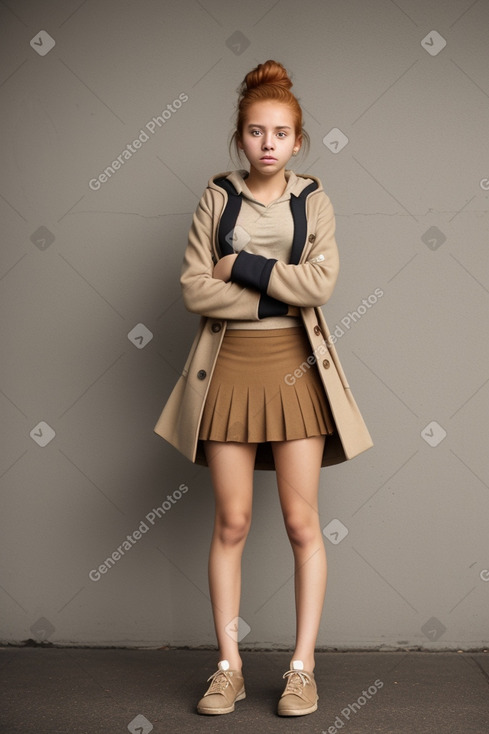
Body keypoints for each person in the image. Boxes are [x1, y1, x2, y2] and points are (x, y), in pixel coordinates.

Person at [153, 59, 373, 717]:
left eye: (280, 132)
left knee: (303, 522)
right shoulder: (216, 197)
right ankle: (229, 667)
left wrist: (242, 266)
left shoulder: (314, 198)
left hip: (296, 375)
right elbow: (195, 287)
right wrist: (275, 290)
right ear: (240, 138)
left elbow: (322, 286)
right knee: (233, 521)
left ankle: (301, 669)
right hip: (225, 375)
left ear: (297, 140)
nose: (268, 142)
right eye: (255, 131)